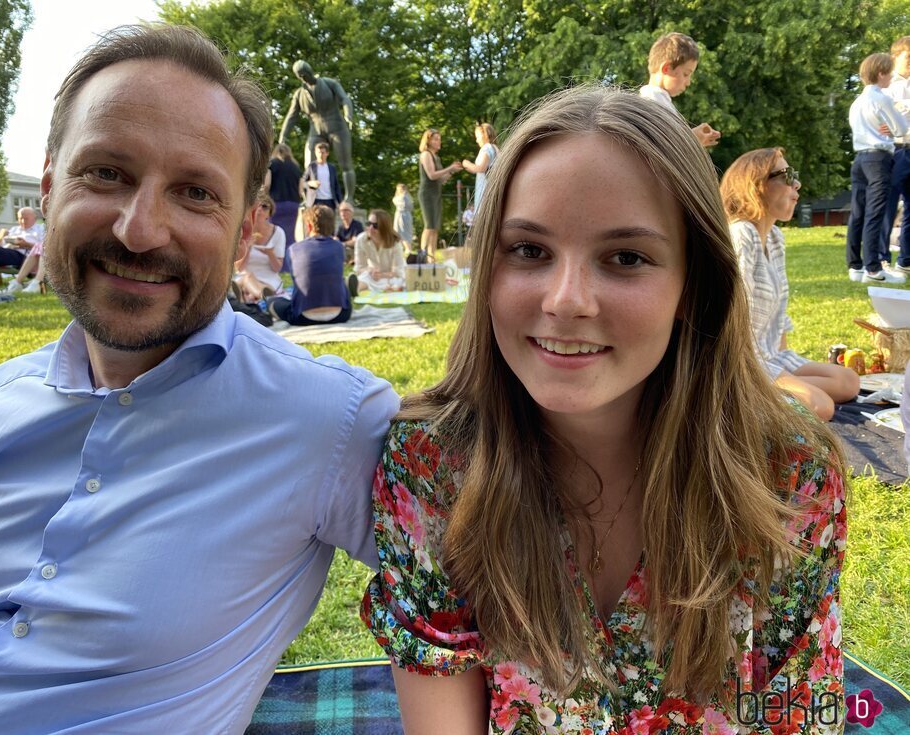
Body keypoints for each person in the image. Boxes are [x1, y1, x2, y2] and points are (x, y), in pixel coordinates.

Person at [0, 24, 398, 734]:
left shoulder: (327, 421)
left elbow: (526, 565)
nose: (139, 229)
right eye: (107, 173)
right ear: (51, 186)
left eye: (194, 193)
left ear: (248, 232)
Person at [361, 86, 846, 734]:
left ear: (692, 286)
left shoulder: (791, 475)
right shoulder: (433, 467)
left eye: (625, 257)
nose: (566, 299)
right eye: (529, 250)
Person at [721, 148, 860, 421]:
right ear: (755, 183)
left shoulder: (774, 237)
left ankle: (766, 395)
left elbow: (780, 311)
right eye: (787, 175)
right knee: (821, 406)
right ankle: (740, 396)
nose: (797, 184)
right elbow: (727, 318)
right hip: (740, 361)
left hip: (770, 354)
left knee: (849, 382)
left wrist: (785, 360)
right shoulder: (740, 235)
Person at [846, 52, 909, 284]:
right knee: (875, 213)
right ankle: (873, 268)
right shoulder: (882, 99)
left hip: (860, 158)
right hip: (879, 158)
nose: (892, 76)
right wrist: (892, 128)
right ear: (881, 73)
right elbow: (901, 127)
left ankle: (855, 266)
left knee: (858, 212)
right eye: (889, 72)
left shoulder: (857, 102)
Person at [279, 60, 356, 203]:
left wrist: (348, 114)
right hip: (316, 130)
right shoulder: (300, 94)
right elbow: (291, 116)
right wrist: (283, 136)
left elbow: (345, 99)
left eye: (304, 74)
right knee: (309, 165)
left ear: (310, 71)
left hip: (337, 127)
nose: (303, 78)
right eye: (300, 76)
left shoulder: (329, 83)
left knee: (345, 164)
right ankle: (310, 198)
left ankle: (349, 198)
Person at [268, 204, 351, 325]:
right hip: (340, 315)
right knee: (342, 283)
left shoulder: (293, 249)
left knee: (273, 302)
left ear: (309, 225)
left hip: (303, 316)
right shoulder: (338, 247)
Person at [639, 32, 721, 148]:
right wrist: (693, 139)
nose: (688, 82)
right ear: (666, 68)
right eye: (686, 74)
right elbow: (662, 146)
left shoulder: (660, 100)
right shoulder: (652, 101)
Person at [883, 37, 910, 272]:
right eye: (908, 58)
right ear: (895, 57)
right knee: (888, 205)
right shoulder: (885, 86)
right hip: (894, 149)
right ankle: (881, 259)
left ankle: (906, 260)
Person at [234, 191, 286, 300]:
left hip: (268, 278)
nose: (260, 209)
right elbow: (239, 268)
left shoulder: (278, 232)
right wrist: (248, 248)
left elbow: (277, 268)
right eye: (256, 205)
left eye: (265, 206)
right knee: (246, 277)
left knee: (245, 286)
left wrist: (270, 253)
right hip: (245, 274)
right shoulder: (242, 231)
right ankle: (263, 296)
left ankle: (254, 296)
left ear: (269, 213)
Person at [418, 128, 461, 256]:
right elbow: (431, 175)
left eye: (439, 139)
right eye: (435, 139)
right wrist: (450, 167)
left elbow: (441, 179)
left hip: (436, 194)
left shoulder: (436, 157)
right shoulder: (426, 155)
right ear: (428, 140)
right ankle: (423, 256)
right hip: (427, 194)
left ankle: (432, 257)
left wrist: (453, 171)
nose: (438, 141)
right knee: (429, 225)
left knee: (435, 227)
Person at [350, 209, 406, 294]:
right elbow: (359, 268)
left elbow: (398, 271)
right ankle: (352, 289)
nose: (370, 228)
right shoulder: (361, 239)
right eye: (368, 224)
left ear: (384, 227)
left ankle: (359, 288)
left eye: (375, 226)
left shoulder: (395, 243)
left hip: (392, 276)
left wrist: (382, 275)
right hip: (372, 276)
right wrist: (369, 270)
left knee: (398, 282)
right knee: (365, 277)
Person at [265, 142, 304, 248]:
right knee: (289, 236)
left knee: (274, 235)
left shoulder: (272, 164)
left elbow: (267, 184)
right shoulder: (296, 167)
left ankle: (275, 262)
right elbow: (301, 190)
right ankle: (289, 262)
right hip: (292, 205)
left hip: (276, 204)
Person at [461, 122, 499, 214]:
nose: (477, 140)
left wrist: (466, 163)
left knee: (483, 216)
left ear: (484, 135)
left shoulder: (486, 148)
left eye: (478, 137)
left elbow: (481, 168)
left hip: (484, 189)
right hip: (492, 187)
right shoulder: (496, 148)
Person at [303, 140, 342, 210]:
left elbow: (336, 186)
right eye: (319, 152)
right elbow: (302, 183)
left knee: (329, 220)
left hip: (329, 201)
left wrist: (340, 202)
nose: (321, 155)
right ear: (315, 153)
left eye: (323, 153)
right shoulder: (311, 166)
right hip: (315, 201)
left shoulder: (332, 168)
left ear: (327, 153)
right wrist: (310, 183)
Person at [392, 182, 414, 248]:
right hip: (399, 214)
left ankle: (408, 248)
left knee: (405, 231)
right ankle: (402, 247)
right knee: (398, 231)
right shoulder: (401, 197)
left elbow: (407, 205)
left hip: (404, 215)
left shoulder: (405, 196)